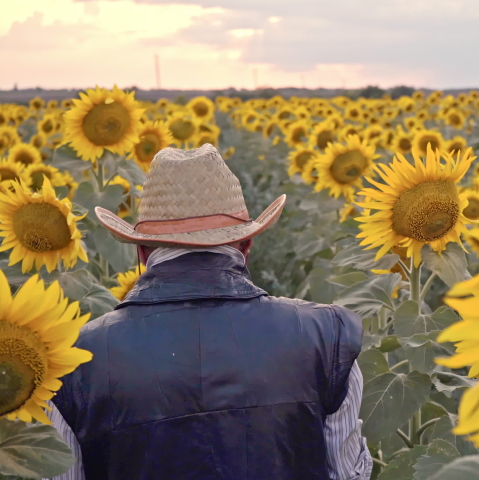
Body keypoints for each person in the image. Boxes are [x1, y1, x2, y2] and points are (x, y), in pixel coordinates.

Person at [48, 144, 372, 480]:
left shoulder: (72, 360)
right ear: (246, 245)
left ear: (142, 252)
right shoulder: (326, 337)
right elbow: (348, 474)